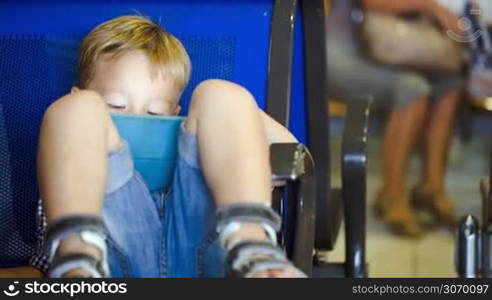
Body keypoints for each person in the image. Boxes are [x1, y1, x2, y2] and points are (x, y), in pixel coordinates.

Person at [33, 15, 304, 278]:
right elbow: (40, 263)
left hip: (210, 253)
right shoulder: (70, 159)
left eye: (155, 114)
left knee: (218, 93)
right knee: (74, 112)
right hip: (105, 262)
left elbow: (293, 156)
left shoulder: (197, 133)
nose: (136, 121)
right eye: (115, 107)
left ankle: (252, 247)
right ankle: (77, 262)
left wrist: (228, 115)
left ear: (175, 113)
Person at [326, 0, 465, 236]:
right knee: (412, 90)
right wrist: (432, 8)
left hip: (382, 49)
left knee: (450, 82)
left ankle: (432, 187)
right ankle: (392, 194)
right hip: (342, 52)